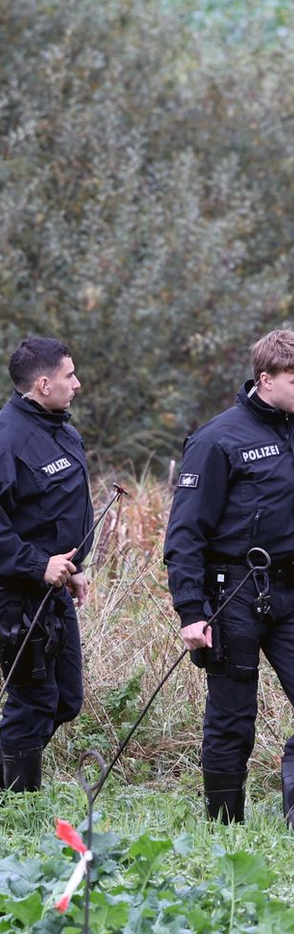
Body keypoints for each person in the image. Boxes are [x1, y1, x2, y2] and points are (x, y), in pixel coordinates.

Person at [164, 330, 294, 827]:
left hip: (293, 593)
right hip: (232, 593)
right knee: (232, 718)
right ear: (264, 379)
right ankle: (225, 825)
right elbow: (184, 534)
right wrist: (191, 611)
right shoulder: (216, 439)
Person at [0, 337, 91, 792]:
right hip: (18, 594)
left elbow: (59, 510)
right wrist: (38, 565)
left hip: (55, 589)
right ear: (42, 383)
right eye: (69, 375)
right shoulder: (7, 436)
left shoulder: (61, 429)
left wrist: (71, 569)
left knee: (66, 699)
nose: (76, 383)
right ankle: (17, 802)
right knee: (32, 700)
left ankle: (10, 776)